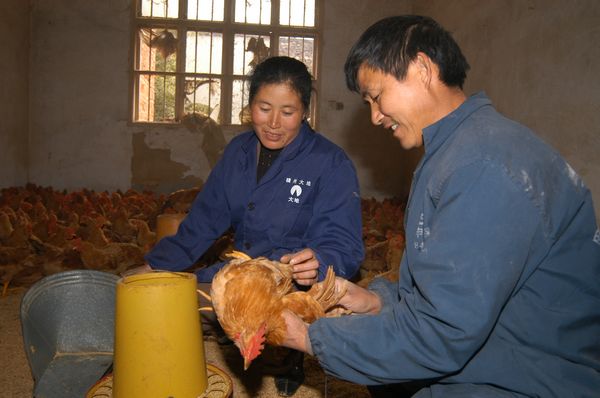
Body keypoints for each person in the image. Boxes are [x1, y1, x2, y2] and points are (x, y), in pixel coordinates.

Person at [280, 15, 600, 397]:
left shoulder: (483, 166)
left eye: (377, 97)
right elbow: (447, 291)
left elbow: (442, 333)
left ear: (421, 69)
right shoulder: (460, 150)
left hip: (526, 380)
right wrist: (375, 301)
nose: (375, 117)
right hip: (498, 355)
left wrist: (310, 337)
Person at [144, 55, 365, 396]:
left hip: (290, 282)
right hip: (242, 269)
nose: (274, 123)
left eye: (288, 112)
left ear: (305, 111)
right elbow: (204, 220)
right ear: (249, 107)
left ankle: (289, 357)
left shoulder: (330, 163)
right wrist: (156, 264)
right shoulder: (238, 152)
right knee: (169, 297)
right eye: (264, 108)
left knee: (285, 322)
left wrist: (319, 260)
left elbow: (345, 245)